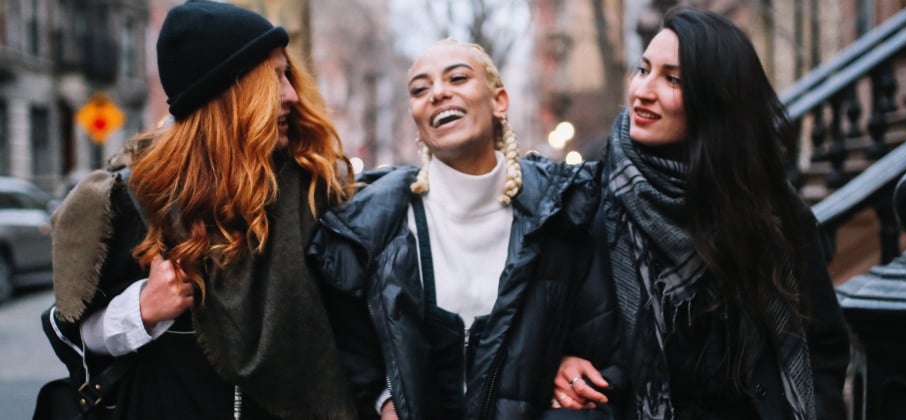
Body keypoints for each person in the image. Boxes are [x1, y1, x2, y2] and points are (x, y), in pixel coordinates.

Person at [42, 1, 357, 418]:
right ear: (228, 94)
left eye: (288, 74)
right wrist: (142, 309)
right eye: (274, 78)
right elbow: (77, 335)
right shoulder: (137, 198)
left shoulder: (317, 187)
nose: (292, 95)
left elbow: (358, 329)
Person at [551, 7, 850, 420]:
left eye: (672, 79)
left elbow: (823, 350)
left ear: (717, 98)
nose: (643, 90)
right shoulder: (589, 203)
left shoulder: (773, 216)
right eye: (643, 70)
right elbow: (543, 325)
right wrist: (559, 364)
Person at [307, 38, 623, 420]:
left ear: (499, 102)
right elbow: (347, 356)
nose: (438, 93)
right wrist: (384, 401)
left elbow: (607, 359)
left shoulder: (565, 215)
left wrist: (560, 372)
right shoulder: (367, 230)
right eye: (420, 90)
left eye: (457, 78)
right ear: (417, 125)